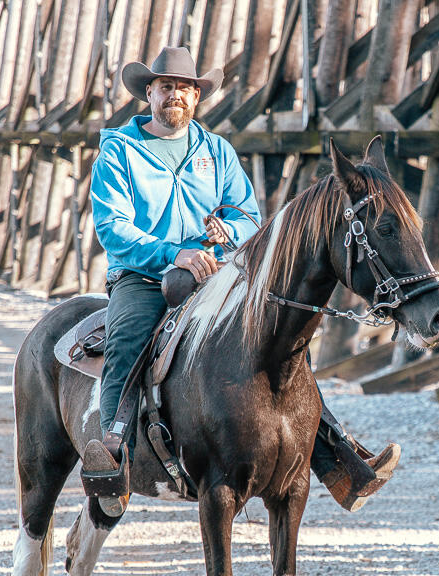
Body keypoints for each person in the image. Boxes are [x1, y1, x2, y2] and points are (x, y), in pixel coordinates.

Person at [81, 46, 399, 515]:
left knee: (282, 336)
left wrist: (228, 232)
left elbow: (251, 218)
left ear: (196, 97)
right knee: (128, 336)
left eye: (185, 89)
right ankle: (112, 452)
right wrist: (175, 253)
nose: (175, 96)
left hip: (216, 273)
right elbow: (113, 228)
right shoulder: (119, 151)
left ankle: (338, 457)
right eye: (166, 87)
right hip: (145, 276)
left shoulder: (216, 151)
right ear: (148, 93)